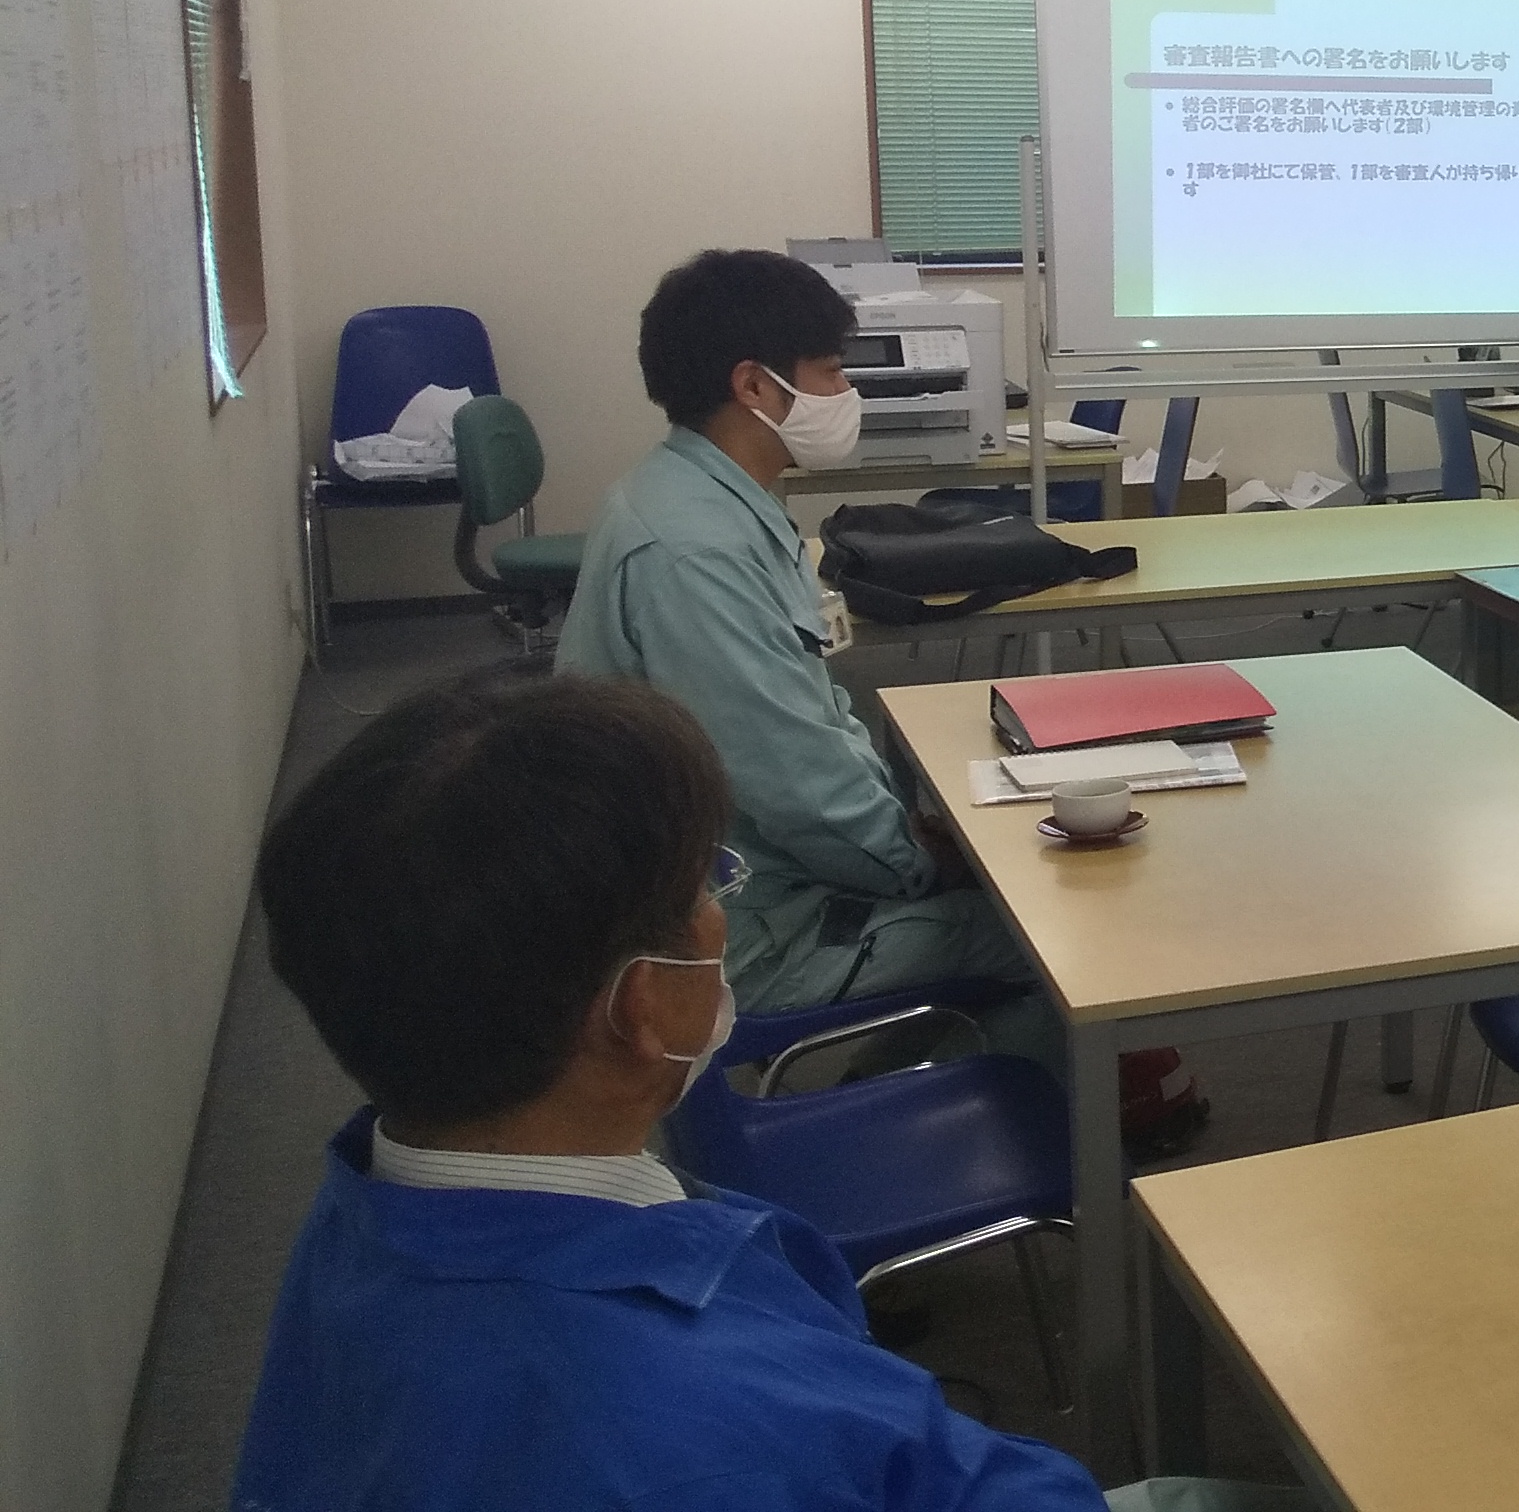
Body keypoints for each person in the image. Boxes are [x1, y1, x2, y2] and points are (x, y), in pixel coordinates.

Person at [237, 671, 1302, 1511]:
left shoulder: (366, 1219)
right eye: (707, 881)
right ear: (644, 1006)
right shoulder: (705, 1430)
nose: (720, 912)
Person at [557, 249, 1201, 1151]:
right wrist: (920, 862)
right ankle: (968, 1150)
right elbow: (795, 780)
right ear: (755, 386)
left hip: (737, 879)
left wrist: (914, 831)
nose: (847, 392)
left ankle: (893, 1100)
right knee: (1055, 932)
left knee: (1010, 871)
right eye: (831, 372)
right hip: (742, 930)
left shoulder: (701, 501)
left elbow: (804, 725)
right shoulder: (695, 555)